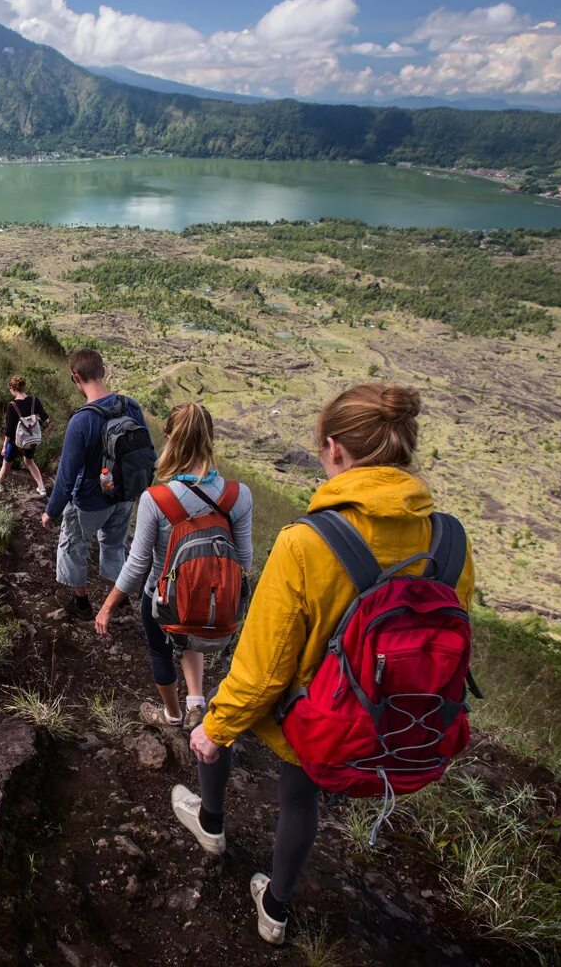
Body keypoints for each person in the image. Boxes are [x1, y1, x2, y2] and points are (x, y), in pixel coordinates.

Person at [173, 383, 475, 946]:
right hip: (388, 717)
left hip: (312, 715)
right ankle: (276, 910)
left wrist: (216, 730)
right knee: (299, 797)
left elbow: (262, 667)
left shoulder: (306, 543)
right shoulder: (450, 540)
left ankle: (210, 824)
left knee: (220, 717)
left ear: (335, 450)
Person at [93, 403, 252, 732]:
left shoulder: (157, 498)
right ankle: (197, 702)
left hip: (162, 599)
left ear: (169, 438)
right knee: (193, 629)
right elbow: (245, 560)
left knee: (161, 651)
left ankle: (173, 715)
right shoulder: (239, 496)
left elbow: (137, 563)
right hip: (213, 602)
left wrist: (107, 606)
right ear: (211, 439)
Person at [40, 348, 149, 620]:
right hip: (125, 497)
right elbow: (147, 454)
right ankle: (120, 602)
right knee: (114, 544)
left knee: (72, 544)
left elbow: (66, 476)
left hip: (90, 501)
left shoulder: (82, 420)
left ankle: (81, 604)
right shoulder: (131, 406)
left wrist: (51, 511)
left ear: (75, 376)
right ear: (103, 371)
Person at [0, 375, 49, 497]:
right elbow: (46, 419)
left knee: (7, 462)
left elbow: (8, 431)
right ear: (23, 387)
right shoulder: (35, 401)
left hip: (15, 441)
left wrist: (4, 446)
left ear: (12, 388)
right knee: (29, 461)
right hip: (31, 439)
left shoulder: (11, 406)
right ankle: (42, 487)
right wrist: (37, 424)